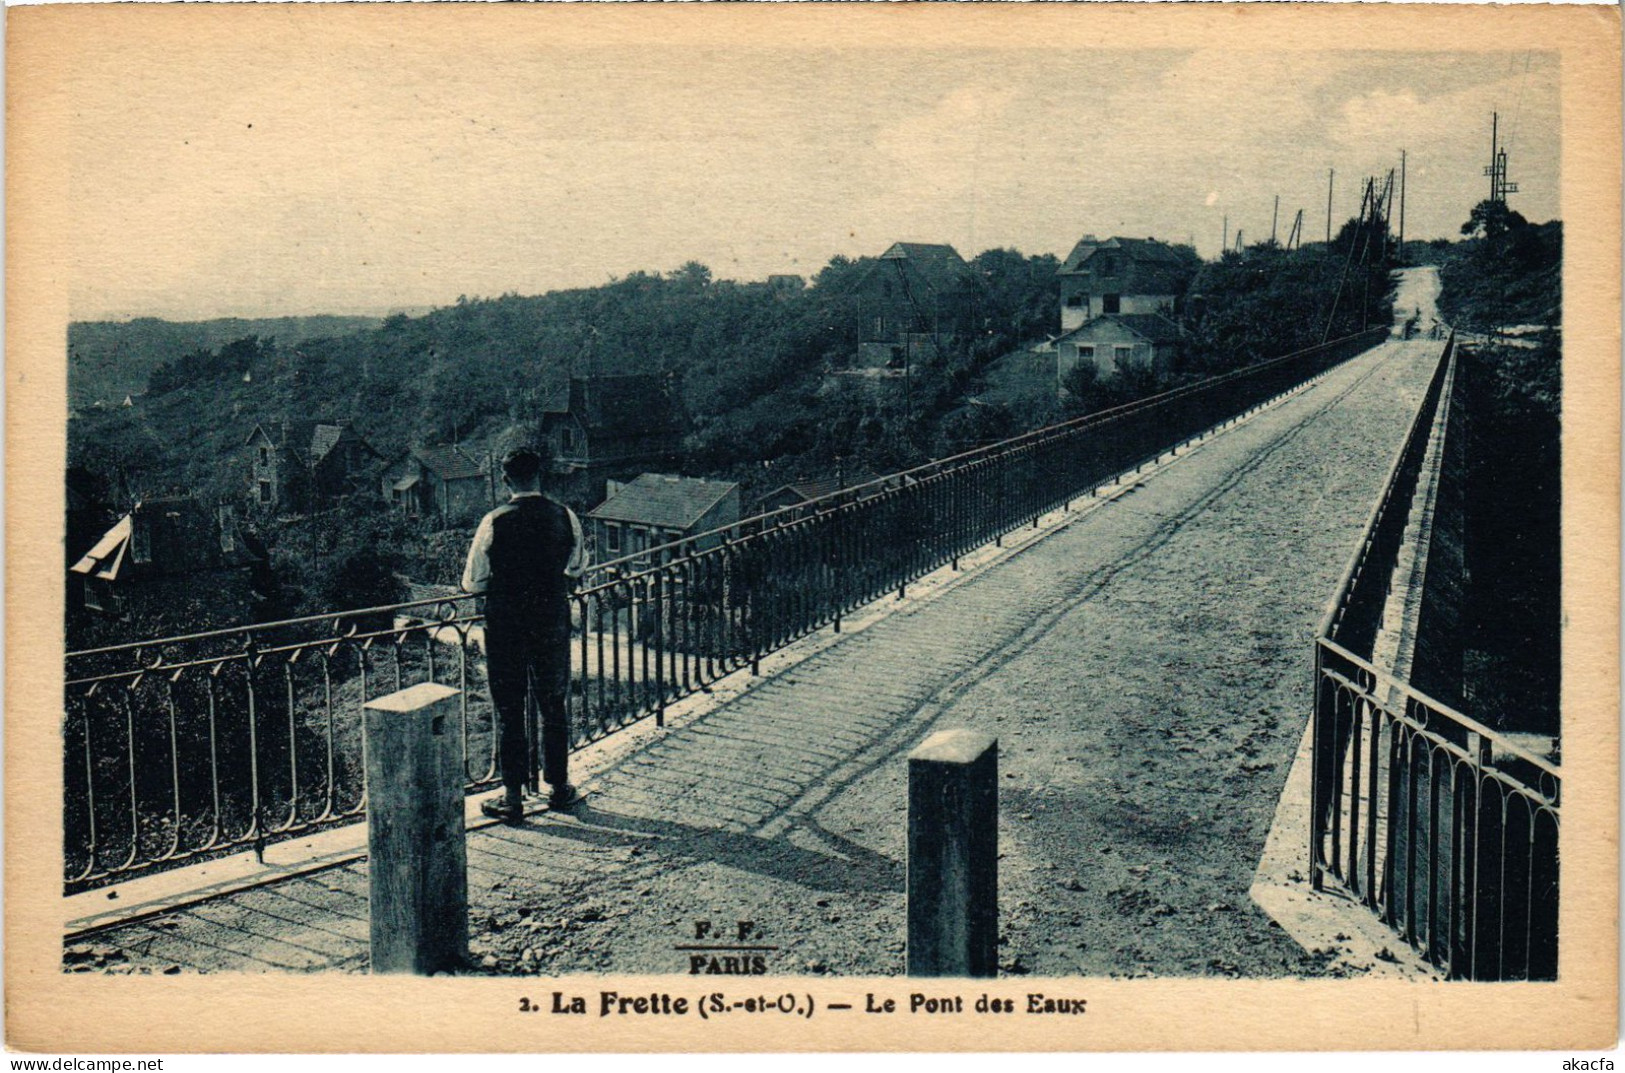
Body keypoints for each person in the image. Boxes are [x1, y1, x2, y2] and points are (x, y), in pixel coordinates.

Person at [462, 447, 587, 822]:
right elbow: (576, 566)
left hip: (506, 626)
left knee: (509, 706)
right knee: (553, 702)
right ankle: (559, 788)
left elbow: (472, 582)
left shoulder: (493, 521)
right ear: (541, 475)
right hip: (550, 620)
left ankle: (512, 796)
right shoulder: (565, 516)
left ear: (505, 481)